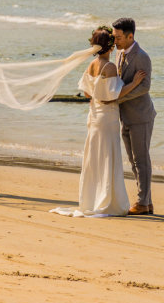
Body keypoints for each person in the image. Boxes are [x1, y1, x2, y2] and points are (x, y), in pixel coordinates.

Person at [51, 27, 145, 218]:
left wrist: (98, 92)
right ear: (109, 46)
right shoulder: (108, 67)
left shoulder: (92, 64)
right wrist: (134, 83)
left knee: (95, 158)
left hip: (94, 115)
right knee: (107, 157)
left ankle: (92, 199)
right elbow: (114, 96)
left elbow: (87, 93)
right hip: (107, 118)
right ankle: (107, 202)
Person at [112, 17, 156, 215]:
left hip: (141, 115)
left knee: (141, 160)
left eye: (119, 37)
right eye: (114, 37)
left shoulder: (142, 56)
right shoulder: (119, 54)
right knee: (133, 160)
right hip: (125, 116)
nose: (116, 41)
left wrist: (118, 99)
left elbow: (145, 87)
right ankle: (146, 201)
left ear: (131, 36)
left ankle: (142, 202)